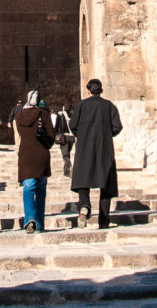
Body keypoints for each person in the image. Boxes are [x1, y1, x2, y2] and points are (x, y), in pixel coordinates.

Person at [71, 79, 122, 229]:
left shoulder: (81, 105)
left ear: (88, 90)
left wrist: (82, 134)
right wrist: (106, 133)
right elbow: (117, 126)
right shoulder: (109, 106)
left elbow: (73, 125)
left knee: (83, 178)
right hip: (104, 147)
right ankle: (104, 220)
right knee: (105, 182)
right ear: (101, 90)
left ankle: (84, 206)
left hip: (85, 146)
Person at [14, 90, 56, 233]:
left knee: (28, 187)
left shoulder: (18, 117)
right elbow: (51, 136)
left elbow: (20, 134)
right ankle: (39, 223)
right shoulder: (43, 114)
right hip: (41, 156)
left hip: (25, 155)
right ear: (38, 101)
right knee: (40, 189)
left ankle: (30, 218)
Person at [55, 102, 75, 177]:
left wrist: (55, 134)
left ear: (63, 107)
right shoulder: (73, 115)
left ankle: (68, 169)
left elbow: (56, 126)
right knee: (67, 153)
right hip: (71, 137)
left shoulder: (60, 115)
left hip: (64, 137)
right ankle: (66, 171)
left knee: (65, 155)